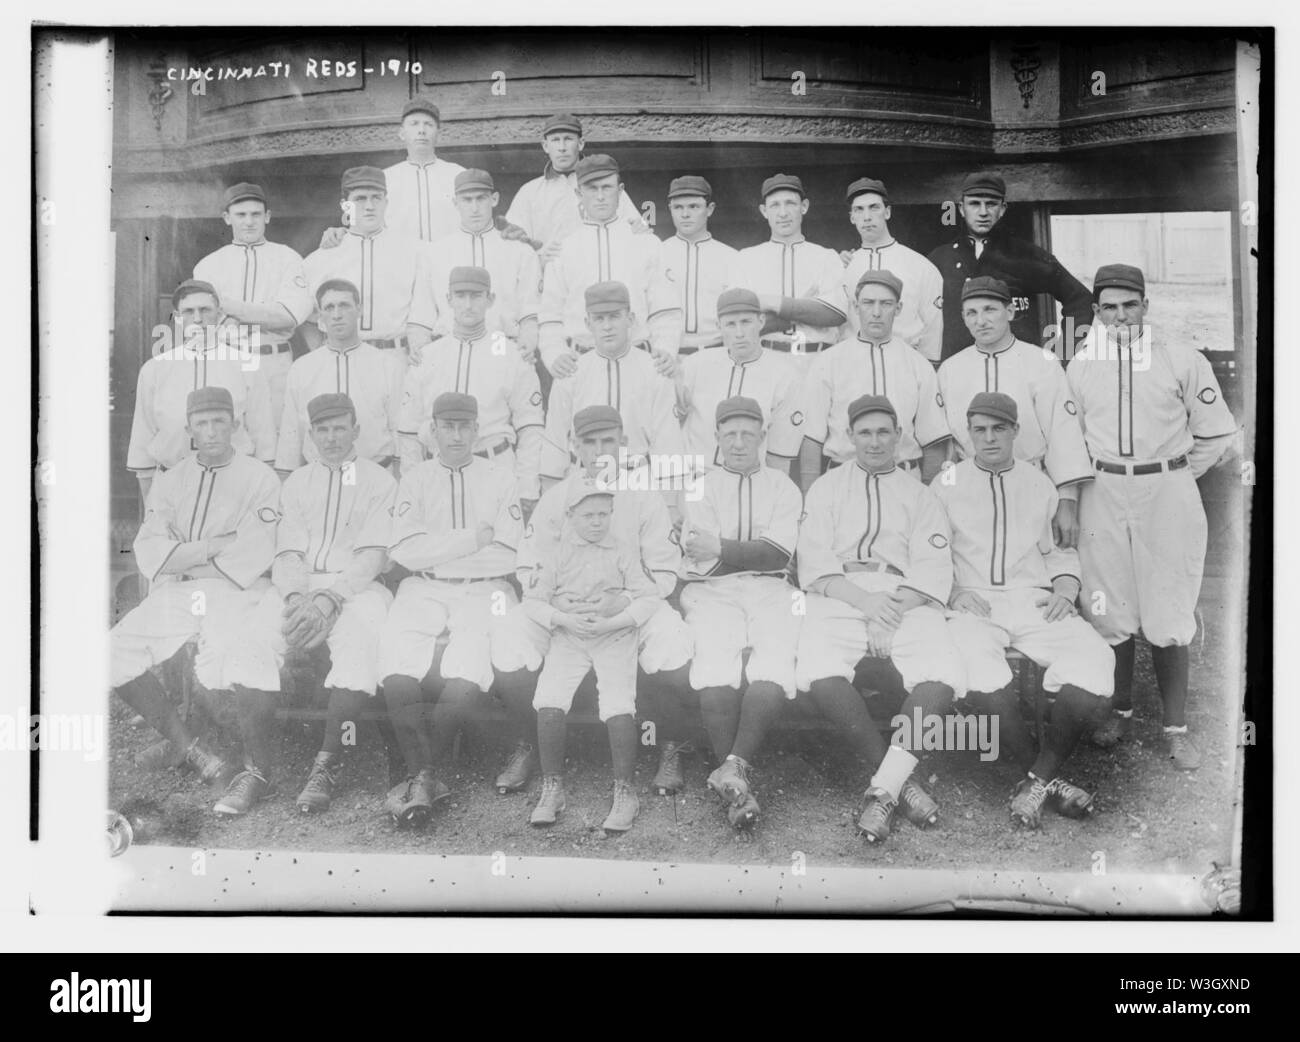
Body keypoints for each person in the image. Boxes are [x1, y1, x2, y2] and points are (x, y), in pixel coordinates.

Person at [1068, 264, 1237, 770]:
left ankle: (1175, 729)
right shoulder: (1081, 364)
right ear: (1097, 312)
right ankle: (1119, 709)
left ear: (1146, 305)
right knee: (1110, 607)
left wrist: (1177, 473)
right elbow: (1070, 438)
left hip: (1166, 488)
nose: (1121, 315)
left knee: (1167, 609)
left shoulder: (1181, 358)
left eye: (1130, 304)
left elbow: (1217, 434)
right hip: (1102, 487)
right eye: (1109, 307)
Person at [933, 392, 1115, 829]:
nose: (990, 438)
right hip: (973, 600)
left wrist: (1065, 590)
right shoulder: (946, 483)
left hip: (1031, 598)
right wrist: (954, 590)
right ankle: (1047, 779)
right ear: (968, 434)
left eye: (999, 428)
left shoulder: (1039, 484)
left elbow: (1058, 555)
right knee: (976, 662)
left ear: (1016, 431)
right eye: (980, 429)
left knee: (1095, 657)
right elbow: (931, 552)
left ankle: (1036, 779)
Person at [492, 404, 693, 798]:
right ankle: (528, 743)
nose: (600, 450)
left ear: (623, 443)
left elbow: (666, 570)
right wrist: (558, 603)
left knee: (671, 638)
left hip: (630, 604)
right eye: (590, 442)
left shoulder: (643, 495)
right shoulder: (557, 498)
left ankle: (670, 746)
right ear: (574, 446)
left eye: (608, 441)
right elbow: (528, 564)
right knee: (510, 636)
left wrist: (626, 600)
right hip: (567, 608)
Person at [795, 394, 962, 843]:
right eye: (864, 433)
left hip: (903, 596)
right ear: (849, 438)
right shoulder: (827, 487)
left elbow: (932, 566)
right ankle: (900, 784)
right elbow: (813, 562)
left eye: (883, 432)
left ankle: (882, 790)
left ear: (899, 437)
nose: (874, 441)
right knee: (818, 670)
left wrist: (889, 611)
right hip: (841, 592)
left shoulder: (919, 493)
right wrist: (865, 606)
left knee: (941, 676)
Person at [111, 387, 281, 815]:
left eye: (219, 421)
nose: (211, 431)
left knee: (229, 660)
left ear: (234, 425)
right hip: (183, 588)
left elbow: (253, 551)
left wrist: (186, 552)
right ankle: (189, 747)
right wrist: (211, 547)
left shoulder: (259, 477)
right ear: (189, 430)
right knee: (112, 651)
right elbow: (150, 548)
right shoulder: (173, 479)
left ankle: (254, 769)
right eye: (201, 423)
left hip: (238, 589)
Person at [225, 393, 396, 814]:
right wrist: (298, 597)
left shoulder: (380, 481)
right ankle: (258, 771)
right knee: (252, 642)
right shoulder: (298, 482)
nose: (332, 437)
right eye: (322, 429)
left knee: (359, 644)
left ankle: (327, 765)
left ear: (356, 431)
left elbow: (372, 556)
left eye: (340, 428)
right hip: (300, 590)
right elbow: (287, 554)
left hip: (357, 589)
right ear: (311, 434)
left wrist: (332, 597)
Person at [378, 392, 522, 825]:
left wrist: (436, 550)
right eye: (447, 426)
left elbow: (510, 553)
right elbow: (403, 552)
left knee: (467, 664)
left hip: (486, 589)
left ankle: (419, 777)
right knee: (396, 658)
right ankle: (426, 776)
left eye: (464, 426)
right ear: (433, 431)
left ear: (477, 430)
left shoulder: (500, 476)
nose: (456, 435)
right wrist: (468, 541)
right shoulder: (417, 478)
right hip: (424, 588)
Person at [678, 396, 803, 829]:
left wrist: (724, 546)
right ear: (716, 437)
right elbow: (701, 559)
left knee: (773, 661)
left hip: (772, 589)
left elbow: (777, 556)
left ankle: (732, 769)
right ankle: (735, 781)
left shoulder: (783, 487)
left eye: (747, 433)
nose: (737, 442)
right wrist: (746, 553)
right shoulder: (700, 485)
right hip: (714, 589)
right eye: (729, 434)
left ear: (763, 437)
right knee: (714, 659)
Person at [525, 483, 666, 832]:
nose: (596, 522)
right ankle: (552, 787)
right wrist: (564, 619)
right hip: (570, 634)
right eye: (588, 515)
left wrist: (613, 620)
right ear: (570, 516)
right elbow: (533, 601)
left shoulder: (623, 550)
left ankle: (625, 792)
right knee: (550, 698)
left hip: (613, 635)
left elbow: (649, 598)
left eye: (603, 514)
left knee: (618, 702)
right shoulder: (556, 553)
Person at [937, 275, 1092, 548]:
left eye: (990, 310)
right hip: (971, 487)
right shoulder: (951, 369)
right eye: (971, 313)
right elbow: (948, 443)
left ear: (1010, 311)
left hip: (1030, 483)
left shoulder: (1041, 362)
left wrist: (1067, 500)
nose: (980, 320)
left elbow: (1063, 434)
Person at [398, 266, 544, 506]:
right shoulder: (427, 356)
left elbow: (530, 427)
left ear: (490, 300)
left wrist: (527, 488)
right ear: (448, 299)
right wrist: (412, 484)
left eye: (476, 296)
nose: (468, 304)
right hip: (438, 470)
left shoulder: (511, 355)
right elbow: (409, 431)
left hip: (495, 466)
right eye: (460, 296)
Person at [127, 279, 276, 504]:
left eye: (205, 310)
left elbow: (263, 436)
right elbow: (142, 438)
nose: (197, 319)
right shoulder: (156, 368)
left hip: (234, 484)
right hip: (173, 481)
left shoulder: (246, 364)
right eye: (188, 312)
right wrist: (150, 502)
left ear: (219, 315)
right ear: (177, 318)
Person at [798, 270, 949, 491]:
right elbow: (811, 438)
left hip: (904, 480)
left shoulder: (918, 364)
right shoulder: (828, 361)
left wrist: (929, 493)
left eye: (886, 304)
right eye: (868, 303)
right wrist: (808, 498)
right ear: (856, 307)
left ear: (898, 309)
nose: (876, 312)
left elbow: (934, 441)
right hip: (843, 479)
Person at [537, 154, 681, 378]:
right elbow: (550, 316)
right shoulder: (564, 248)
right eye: (592, 188)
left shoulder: (646, 243)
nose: (601, 196)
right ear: (578, 193)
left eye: (607, 187)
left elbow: (665, 310)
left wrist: (666, 350)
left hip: (639, 362)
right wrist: (555, 354)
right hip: (580, 364)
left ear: (620, 190)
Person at [928, 171, 1092, 362]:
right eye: (974, 203)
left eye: (991, 204)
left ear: (1002, 209)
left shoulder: (1025, 254)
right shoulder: (940, 258)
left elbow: (1080, 299)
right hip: (959, 372)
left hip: (1018, 370)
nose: (983, 212)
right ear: (962, 209)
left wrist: (1062, 354)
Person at [539, 281, 683, 491]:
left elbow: (667, 442)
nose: (607, 326)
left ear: (630, 319)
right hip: (583, 477)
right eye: (599, 319)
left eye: (614, 316)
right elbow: (555, 439)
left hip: (637, 478)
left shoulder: (654, 370)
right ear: (588, 323)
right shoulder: (571, 372)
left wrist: (670, 503)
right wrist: (552, 494)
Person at [193, 182, 314, 422]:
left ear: (267, 216)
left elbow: (288, 317)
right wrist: (267, 312)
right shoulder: (208, 265)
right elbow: (203, 323)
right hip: (227, 361)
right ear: (227, 218)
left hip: (274, 362)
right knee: (230, 436)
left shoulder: (288, 258)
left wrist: (224, 304)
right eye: (241, 215)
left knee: (277, 440)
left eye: (256, 214)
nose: (249, 221)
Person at [301, 166, 439, 356]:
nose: (369, 206)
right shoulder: (322, 257)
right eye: (360, 199)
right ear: (345, 205)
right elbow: (306, 318)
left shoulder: (414, 252)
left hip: (394, 355)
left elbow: (423, 316)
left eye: (376, 197)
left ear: (386, 202)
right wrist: (318, 351)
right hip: (340, 356)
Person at [275, 279, 406, 475]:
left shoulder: (386, 365)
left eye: (344, 305)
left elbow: (400, 427)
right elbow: (291, 433)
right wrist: (286, 477)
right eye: (329, 308)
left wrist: (400, 475)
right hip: (320, 476)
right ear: (320, 315)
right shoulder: (302, 368)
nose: (336, 315)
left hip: (376, 475)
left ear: (359, 309)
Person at [675, 288, 803, 477]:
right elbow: (669, 429)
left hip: (748, 480)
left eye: (746, 322)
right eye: (730, 324)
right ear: (719, 326)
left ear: (761, 321)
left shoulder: (785, 375)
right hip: (694, 478)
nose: (739, 333)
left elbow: (780, 457)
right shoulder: (694, 365)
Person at [732, 173, 849, 366]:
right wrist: (806, 309)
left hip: (816, 359)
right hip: (765, 359)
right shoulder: (745, 257)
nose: (783, 213)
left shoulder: (827, 256)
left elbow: (835, 314)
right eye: (775, 205)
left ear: (804, 206)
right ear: (763, 210)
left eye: (790, 203)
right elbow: (739, 321)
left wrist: (771, 302)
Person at [426, 169, 541, 361]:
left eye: (481, 198)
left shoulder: (519, 251)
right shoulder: (436, 252)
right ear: (455, 203)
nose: (475, 208)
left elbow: (530, 311)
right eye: (467, 200)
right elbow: (422, 315)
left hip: (500, 341)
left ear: (494, 199)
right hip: (450, 344)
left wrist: (528, 342)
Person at [504, 112, 645, 261]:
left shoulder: (601, 185)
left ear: (581, 143)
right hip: (549, 273)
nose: (562, 147)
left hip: (594, 271)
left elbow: (638, 225)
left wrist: (641, 226)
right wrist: (539, 256)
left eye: (568, 139)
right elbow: (512, 243)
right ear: (545, 146)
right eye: (555, 140)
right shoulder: (529, 192)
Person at [839, 177, 944, 362]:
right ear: (852, 218)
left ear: (887, 212)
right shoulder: (842, 266)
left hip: (904, 362)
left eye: (874, 207)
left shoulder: (920, 265)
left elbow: (933, 327)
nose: (867, 217)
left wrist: (929, 367)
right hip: (852, 363)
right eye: (859, 209)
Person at [658, 176, 740, 354]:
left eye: (694, 207)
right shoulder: (657, 254)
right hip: (667, 355)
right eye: (678, 207)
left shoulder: (732, 257)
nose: (685, 214)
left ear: (709, 209)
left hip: (715, 352)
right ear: (670, 209)